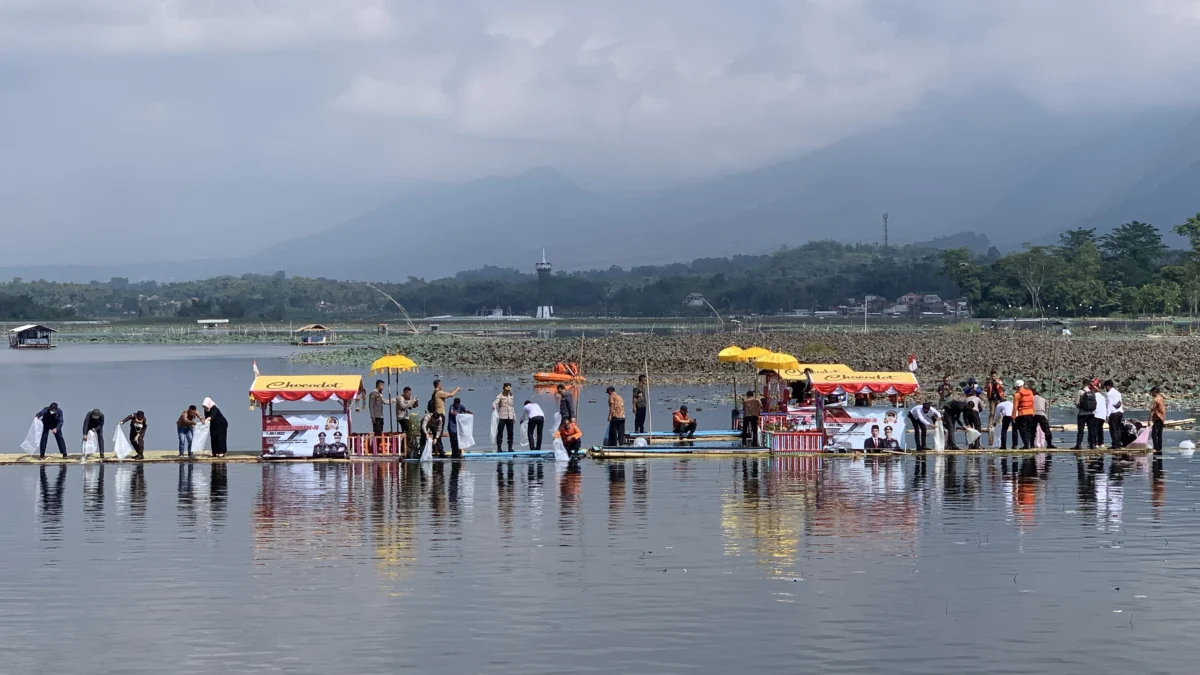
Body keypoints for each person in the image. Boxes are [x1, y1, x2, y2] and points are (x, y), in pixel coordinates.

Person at [1072, 379, 1097, 449]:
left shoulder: (1080, 392)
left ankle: (1079, 445)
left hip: (1082, 414)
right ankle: (1092, 445)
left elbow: (1077, 404)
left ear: (1083, 384)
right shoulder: (1092, 392)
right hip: (1091, 413)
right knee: (1091, 429)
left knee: (1081, 430)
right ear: (1089, 385)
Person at [1012, 379, 1035, 450]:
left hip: (1022, 413)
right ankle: (1030, 444)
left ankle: (1026, 445)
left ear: (1016, 387)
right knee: (1029, 430)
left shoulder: (1017, 395)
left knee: (1022, 430)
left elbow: (1015, 407)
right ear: (1023, 385)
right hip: (1030, 413)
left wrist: (1013, 416)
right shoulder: (1030, 392)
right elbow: (1033, 402)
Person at [493, 383, 516, 452]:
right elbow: (495, 402)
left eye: (509, 390)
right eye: (507, 390)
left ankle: (510, 448)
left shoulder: (511, 396)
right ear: (503, 388)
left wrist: (514, 417)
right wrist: (494, 405)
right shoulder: (500, 395)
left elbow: (512, 407)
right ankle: (499, 448)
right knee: (500, 431)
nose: (508, 391)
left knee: (510, 432)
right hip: (502, 416)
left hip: (510, 416)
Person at [1104, 380, 1124, 449]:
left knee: (1113, 429)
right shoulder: (1118, 393)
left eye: (1105, 387)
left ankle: (1115, 445)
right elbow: (1120, 402)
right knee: (1118, 429)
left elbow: (1109, 405)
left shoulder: (1109, 394)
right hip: (1120, 412)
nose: (1105, 389)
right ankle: (1118, 443)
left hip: (1113, 413)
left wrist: (1107, 415)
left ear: (1107, 386)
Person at [1090, 379, 1109, 451]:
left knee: (1095, 430)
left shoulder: (1094, 396)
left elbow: (1093, 406)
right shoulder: (1102, 397)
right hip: (1102, 415)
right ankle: (1102, 443)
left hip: (1096, 414)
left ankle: (1095, 444)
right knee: (1100, 429)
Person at [1149, 387, 1166, 452]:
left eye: (1152, 392)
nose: (1151, 394)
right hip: (1162, 418)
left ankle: (1156, 447)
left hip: (1157, 417)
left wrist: (1149, 420)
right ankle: (1159, 447)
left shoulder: (1155, 400)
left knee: (1154, 433)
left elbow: (1152, 411)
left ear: (1154, 392)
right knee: (1159, 434)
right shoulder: (1161, 398)